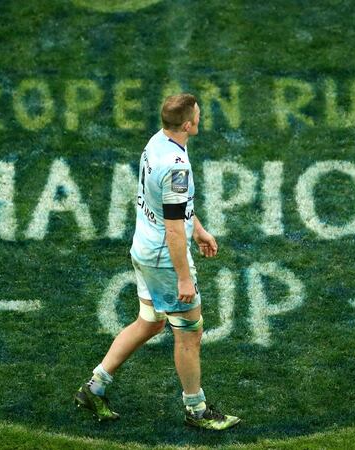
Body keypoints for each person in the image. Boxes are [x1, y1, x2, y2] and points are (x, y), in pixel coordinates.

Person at [74, 93, 241, 430]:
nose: (201, 115)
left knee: (150, 321)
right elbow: (173, 227)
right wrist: (183, 277)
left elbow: (171, 206)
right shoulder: (177, 167)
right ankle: (196, 409)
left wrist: (199, 229)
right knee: (189, 332)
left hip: (144, 249)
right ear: (189, 125)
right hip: (165, 260)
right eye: (198, 113)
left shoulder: (158, 142)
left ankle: (95, 387)